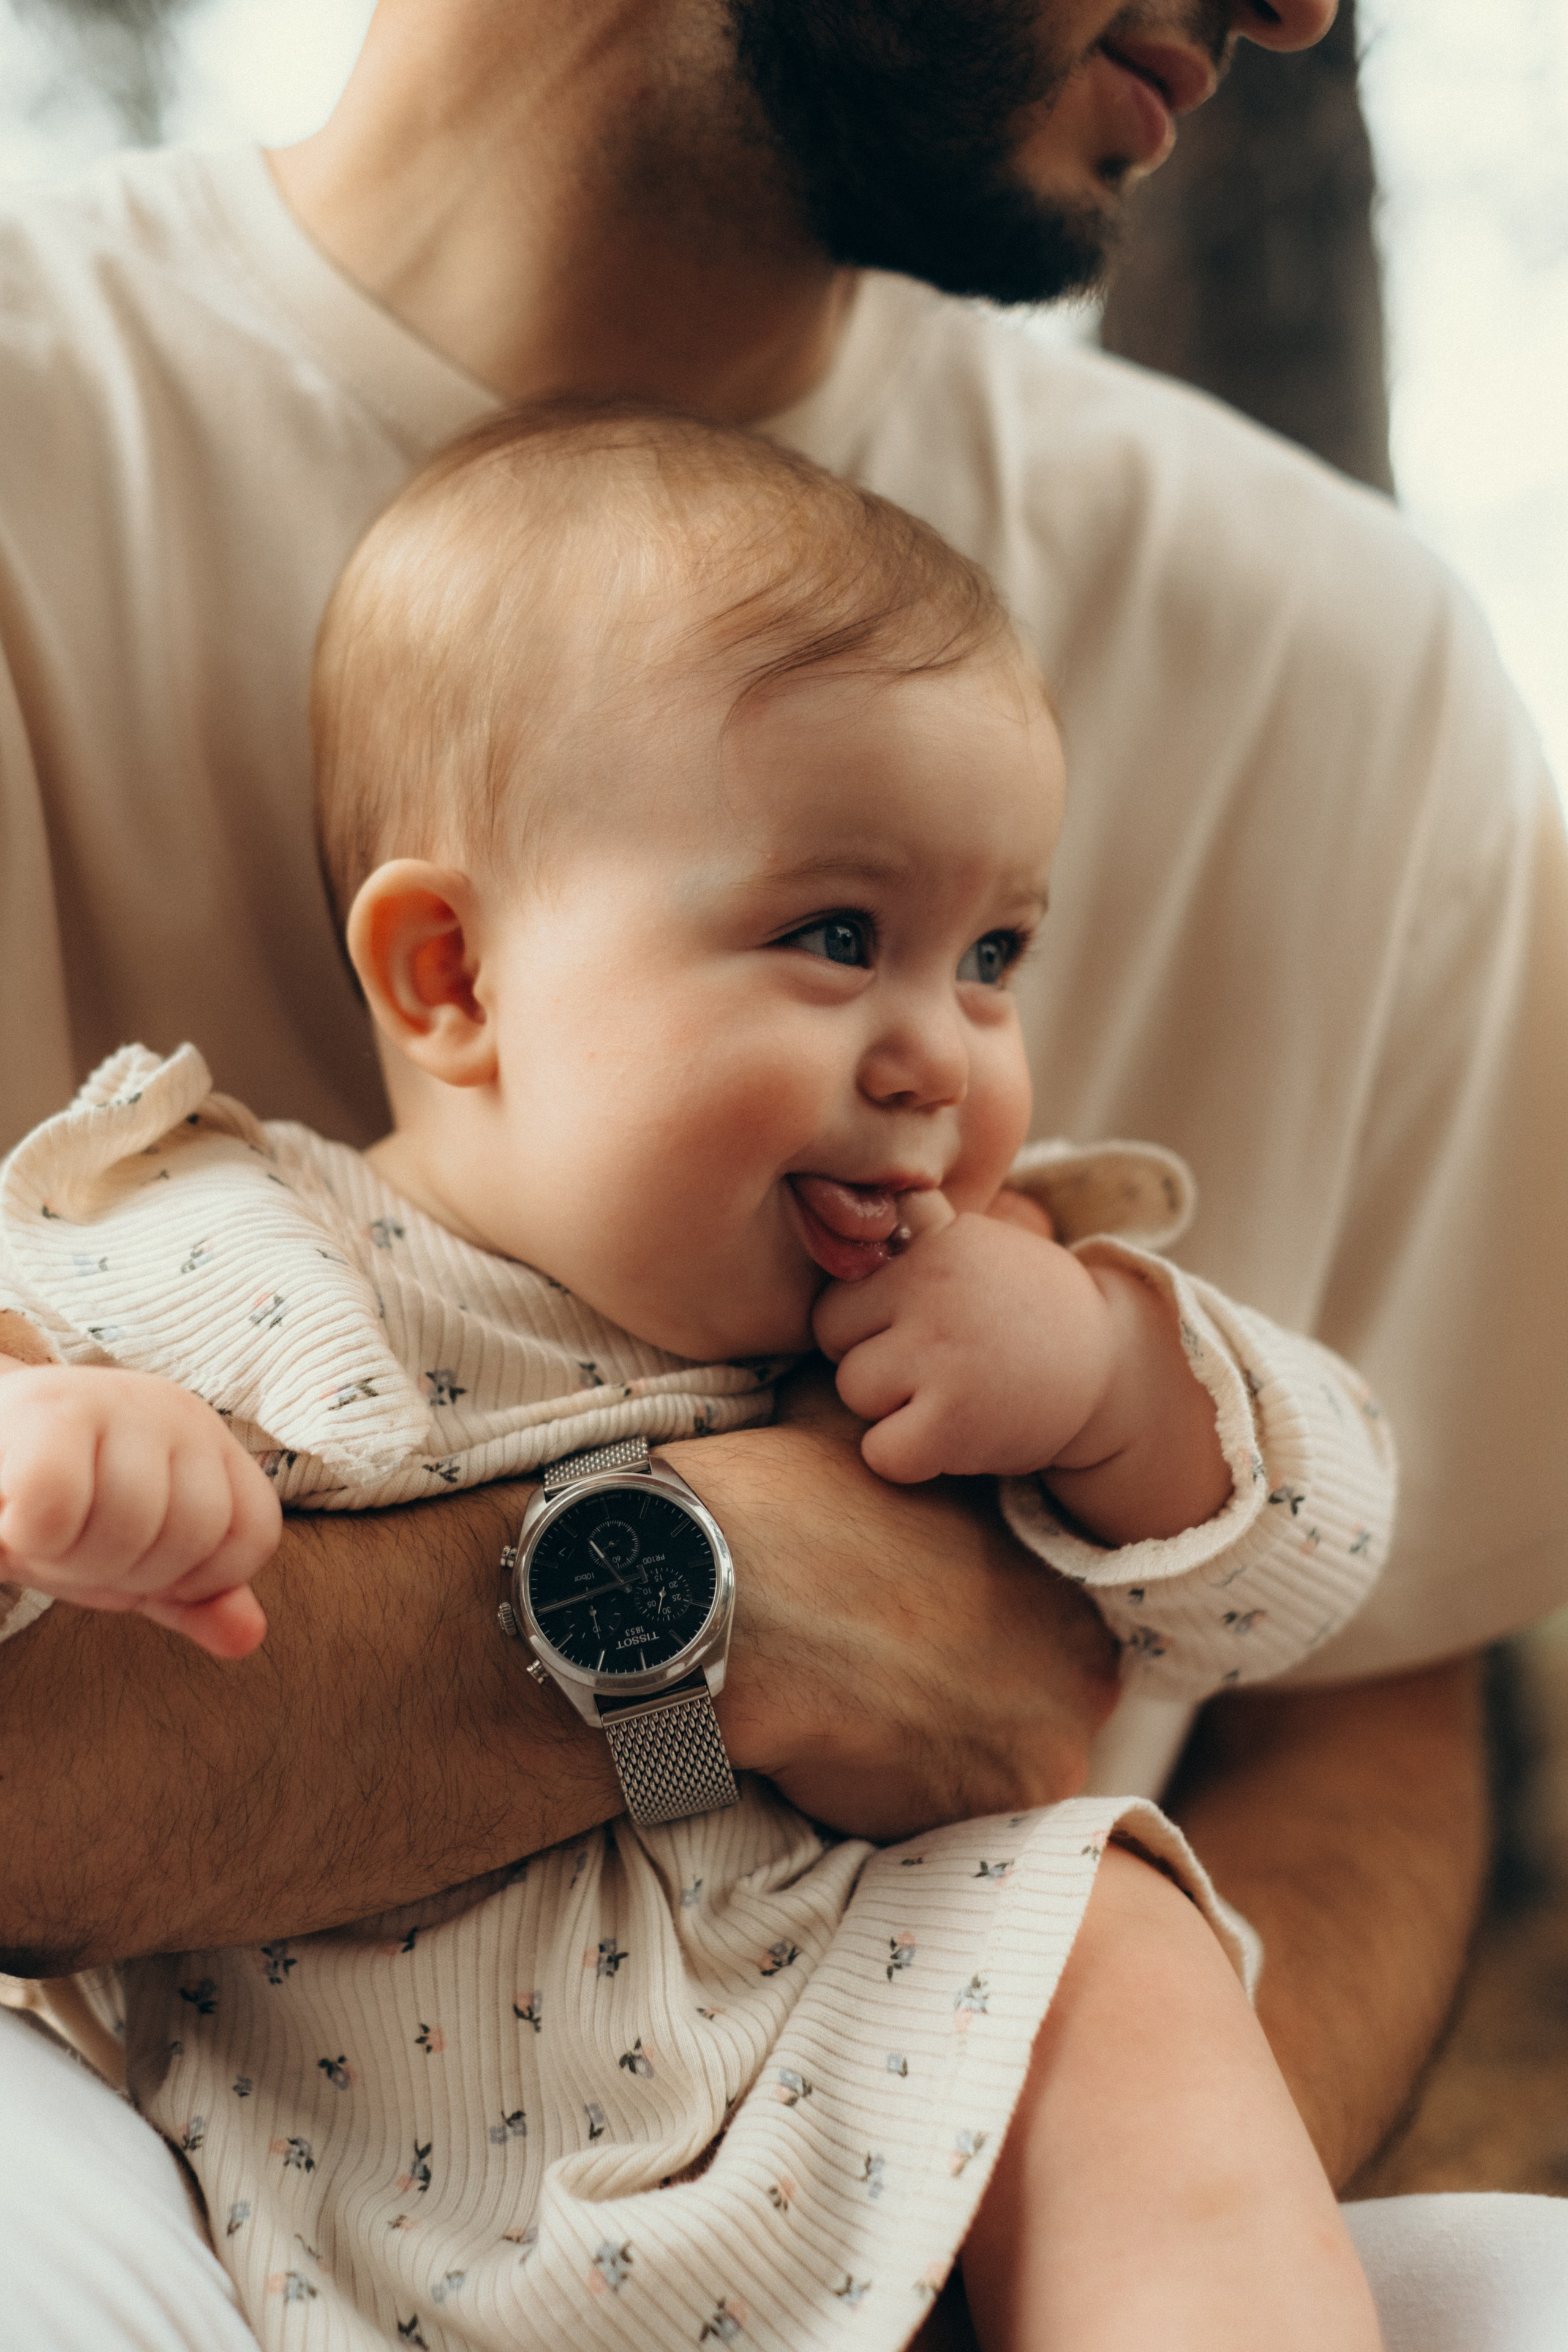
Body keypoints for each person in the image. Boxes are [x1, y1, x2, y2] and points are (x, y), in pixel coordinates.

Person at [0, 0, 1564, 2345]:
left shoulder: (1330, 696)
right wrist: (95, 1457)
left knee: (1183, 2003)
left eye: (1003, 957)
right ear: (445, 978)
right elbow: (58, 1389)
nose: (940, 1049)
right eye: (836, 939)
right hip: (292, 2197)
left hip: (906, 2119)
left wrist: (1125, 1382)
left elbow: (1350, 1643)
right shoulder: (260, 1243)